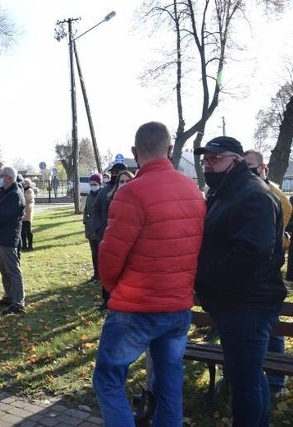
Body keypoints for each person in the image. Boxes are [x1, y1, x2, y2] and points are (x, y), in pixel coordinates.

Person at [93, 122, 206, 426]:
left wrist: (114, 288)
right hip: (177, 306)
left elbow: (110, 255)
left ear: (134, 153)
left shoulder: (131, 193)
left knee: (107, 378)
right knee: (169, 383)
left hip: (136, 307)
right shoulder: (193, 190)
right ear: (170, 150)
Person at [194, 136, 287, 426]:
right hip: (234, 303)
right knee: (247, 375)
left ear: (235, 160)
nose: (208, 164)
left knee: (244, 382)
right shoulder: (226, 191)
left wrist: (206, 274)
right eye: (205, 159)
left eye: (215, 158)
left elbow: (252, 253)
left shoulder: (253, 195)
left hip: (247, 305)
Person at [244, 149, 292, 396]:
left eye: (250, 166)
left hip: (267, 274)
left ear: (262, 167)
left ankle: (275, 381)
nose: (246, 171)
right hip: (244, 279)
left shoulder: (275, 195)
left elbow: (274, 234)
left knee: (272, 327)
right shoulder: (242, 190)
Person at [0, 166, 26, 315]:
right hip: (1, 237)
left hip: (8, 237)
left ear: (8, 177)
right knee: (4, 270)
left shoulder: (14, 195)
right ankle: (9, 296)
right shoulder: (5, 193)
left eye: (1, 175)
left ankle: (18, 302)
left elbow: (2, 215)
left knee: (13, 270)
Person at [92, 162, 128, 309]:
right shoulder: (105, 191)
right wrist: (99, 228)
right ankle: (106, 299)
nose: (114, 174)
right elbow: (96, 210)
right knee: (107, 267)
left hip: (125, 236)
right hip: (106, 234)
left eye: (118, 172)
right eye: (113, 172)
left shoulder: (132, 190)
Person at [82, 174, 102, 281]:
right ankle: (96, 274)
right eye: (91, 184)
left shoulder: (102, 194)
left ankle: (102, 275)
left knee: (100, 254)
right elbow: (86, 210)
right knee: (94, 253)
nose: (93, 186)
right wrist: (86, 220)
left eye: (95, 184)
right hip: (90, 229)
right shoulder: (89, 195)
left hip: (99, 229)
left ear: (99, 184)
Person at [21, 178, 35, 252]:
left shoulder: (29, 190)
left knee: (28, 229)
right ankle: (24, 245)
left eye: (25, 183)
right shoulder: (23, 190)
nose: (23, 184)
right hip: (23, 212)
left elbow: (24, 198)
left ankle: (30, 245)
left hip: (28, 211)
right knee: (22, 230)